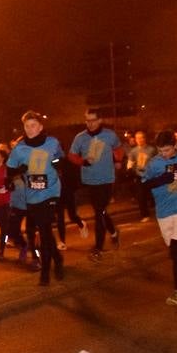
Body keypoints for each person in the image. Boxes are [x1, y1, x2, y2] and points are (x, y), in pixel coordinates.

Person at [7, 111, 65, 285]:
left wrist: (57, 163)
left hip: (51, 192)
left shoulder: (52, 143)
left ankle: (45, 272)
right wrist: (20, 170)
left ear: (40, 127)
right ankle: (58, 258)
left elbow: (60, 159)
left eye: (33, 125)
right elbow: (10, 170)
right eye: (27, 126)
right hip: (32, 195)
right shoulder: (19, 148)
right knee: (45, 231)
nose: (30, 129)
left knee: (45, 230)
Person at [141, 130, 177, 307]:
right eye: (160, 151)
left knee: (176, 246)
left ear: (174, 146)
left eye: (167, 150)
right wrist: (162, 179)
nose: (164, 154)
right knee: (173, 251)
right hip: (164, 211)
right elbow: (144, 185)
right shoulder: (154, 164)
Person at [69, 108, 123, 260]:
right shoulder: (80, 137)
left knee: (99, 212)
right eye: (87, 120)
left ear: (100, 120)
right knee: (101, 211)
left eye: (93, 120)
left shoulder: (110, 135)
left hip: (106, 179)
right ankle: (113, 232)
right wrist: (82, 161)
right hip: (89, 180)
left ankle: (98, 248)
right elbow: (71, 155)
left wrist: (118, 160)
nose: (90, 123)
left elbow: (118, 148)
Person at [125, 131, 154, 220]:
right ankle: (145, 214)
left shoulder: (151, 150)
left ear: (145, 138)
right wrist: (129, 169)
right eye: (138, 138)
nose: (140, 140)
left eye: (141, 138)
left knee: (154, 194)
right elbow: (130, 162)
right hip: (139, 175)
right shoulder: (133, 151)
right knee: (141, 196)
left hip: (150, 175)